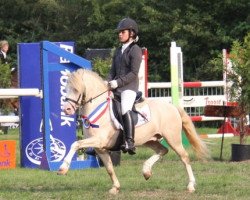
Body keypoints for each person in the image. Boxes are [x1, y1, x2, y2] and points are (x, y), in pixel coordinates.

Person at [107, 17, 142, 155]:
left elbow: (133, 73)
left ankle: (129, 141)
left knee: (125, 108)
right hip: (116, 88)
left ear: (131, 33)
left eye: (123, 32)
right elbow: (112, 71)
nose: (119, 34)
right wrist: (107, 82)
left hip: (129, 88)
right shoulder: (118, 51)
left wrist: (118, 82)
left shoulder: (135, 50)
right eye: (119, 32)